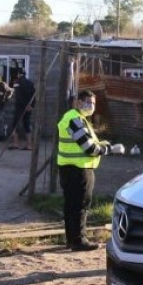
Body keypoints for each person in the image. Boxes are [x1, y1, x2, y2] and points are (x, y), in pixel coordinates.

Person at [57, 90, 125, 251]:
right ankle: (79, 241)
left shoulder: (78, 119)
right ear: (79, 102)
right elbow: (89, 148)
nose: (91, 106)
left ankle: (72, 240)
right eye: (88, 102)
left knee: (71, 205)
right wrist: (111, 149)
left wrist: (102, 144)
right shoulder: (74, 120)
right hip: (78, 170)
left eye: (93, 103)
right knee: (80, 205)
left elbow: (87, 143)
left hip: (72, 168)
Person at [11, 70, 36, 150]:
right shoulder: (30, 83)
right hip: (28, 107)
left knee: (15, 124)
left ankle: (16, 144)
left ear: (18, 74)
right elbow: (34, 95)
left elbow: (19, 96)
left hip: (20, 107)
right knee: (27, 125)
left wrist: (24, 105)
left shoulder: (17, 82)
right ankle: (29, 145)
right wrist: (31, 105)